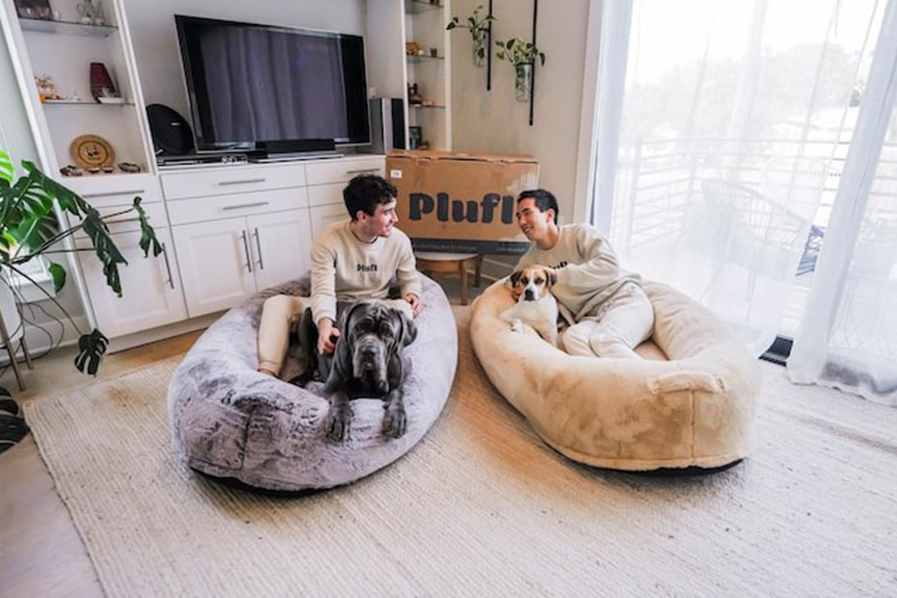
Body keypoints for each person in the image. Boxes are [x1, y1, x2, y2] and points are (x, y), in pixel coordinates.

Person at [257, 174, 423, 378]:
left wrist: (412, 293)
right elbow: (322, 290)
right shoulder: (328, 239)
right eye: (387, 212)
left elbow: (410, 278)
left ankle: (385, 367)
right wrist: (325, 327)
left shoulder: (399, 240)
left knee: (403, 308)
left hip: (375, 307)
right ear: (363, 216)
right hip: (337, 306)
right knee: (276, 303)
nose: (395, 219)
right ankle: (266, 374)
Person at [513, 188, 654, 359]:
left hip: (622, 300)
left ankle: (651, 380)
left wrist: (558, 275)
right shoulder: (530, 262)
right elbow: (510, 284)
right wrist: (518, 291)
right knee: (571, 338)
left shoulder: (580, 234)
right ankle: (603, 381)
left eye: (527, 213)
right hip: (590, 317)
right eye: (518, 216)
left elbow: (610, 266)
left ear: (549, 216)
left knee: (605, 341)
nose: (521, 222)